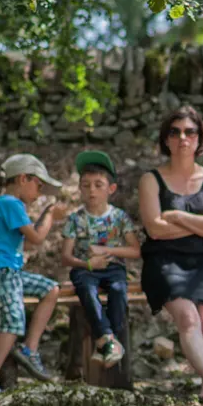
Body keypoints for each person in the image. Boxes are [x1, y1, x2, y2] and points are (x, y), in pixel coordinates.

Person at [139, 106, 203, 401]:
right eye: (175, 132)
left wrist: (177, 217)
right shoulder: (151, 180)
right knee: (189, 318)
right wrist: (201, 222)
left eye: (190, 132)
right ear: (166, 139)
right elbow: (154, 229)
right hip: (165, 261)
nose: (183, 137)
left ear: (199, 138)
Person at [0, 153, 66, 395]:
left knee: (50, 289)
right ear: (23, 179)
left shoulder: (11, 205)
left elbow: (22, 242)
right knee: (13, 324)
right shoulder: (10, 203)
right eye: (39, 185)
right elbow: (35, 239)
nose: (39, 192)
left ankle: (29, 349)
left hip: (9, 271)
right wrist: (49, 216)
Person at [58, 151, 141, 368]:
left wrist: (107, 251)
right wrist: (87, 263)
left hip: (113, 268)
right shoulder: (76, 219)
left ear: (110, 189)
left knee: (118, 290)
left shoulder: (119, 217)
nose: (92, 190)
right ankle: (108, 341)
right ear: (79, 189)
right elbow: (66, 257)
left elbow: (135, 250)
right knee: (86, 288)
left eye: (98, 185)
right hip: (85, 270)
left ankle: (105, 343)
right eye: (86, 185)